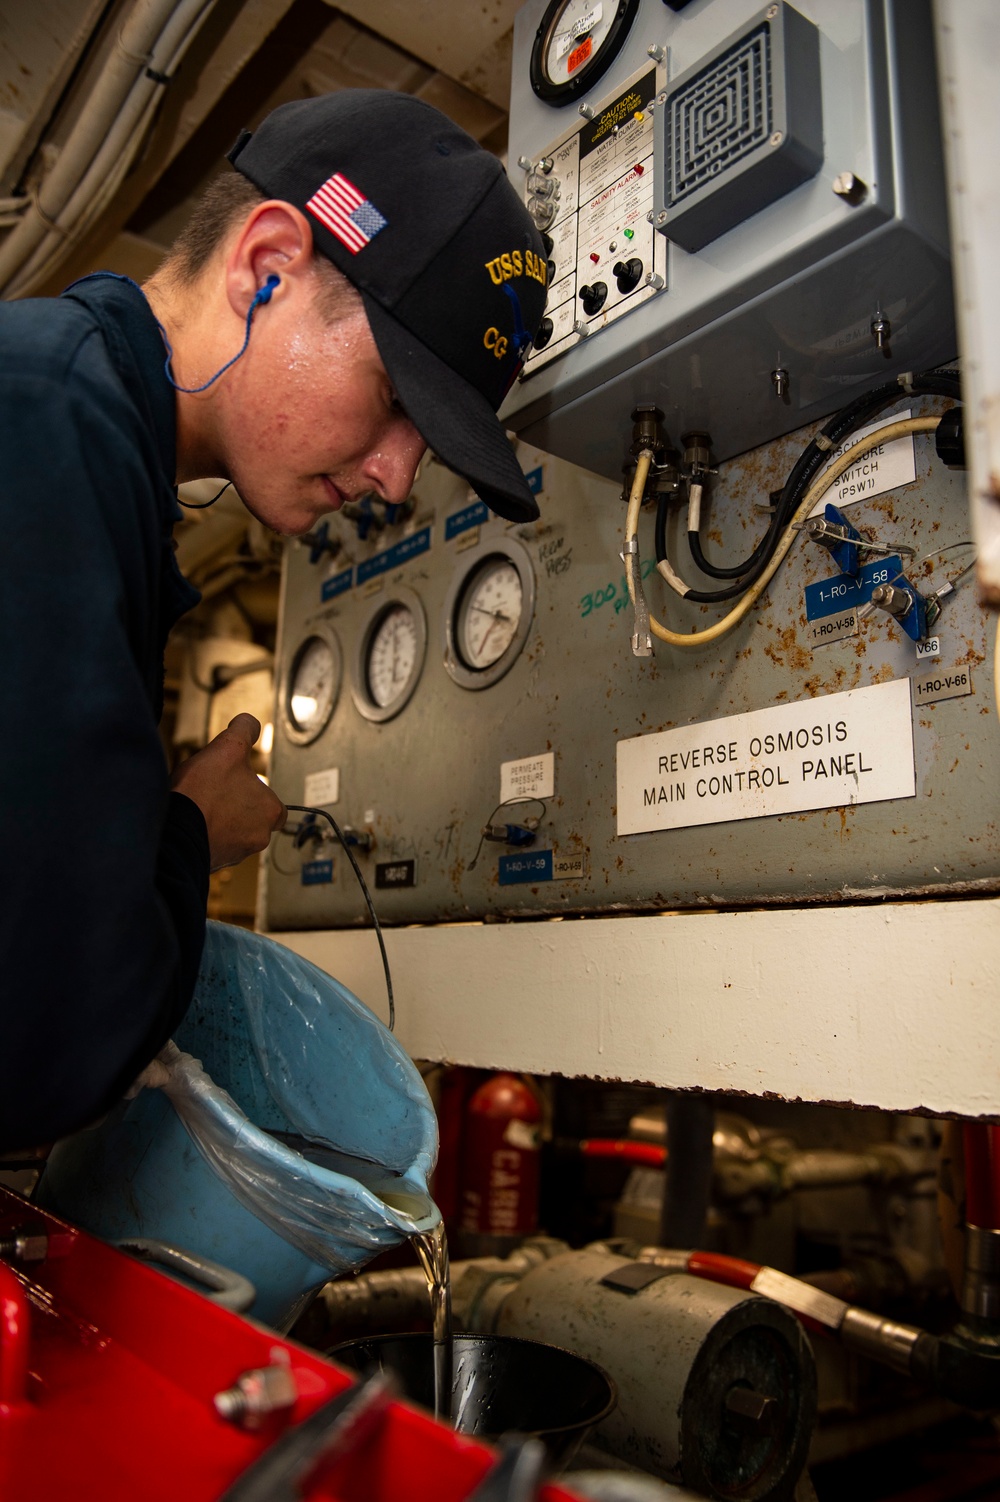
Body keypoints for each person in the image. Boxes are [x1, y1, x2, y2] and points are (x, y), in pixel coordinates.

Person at [0, 88, 547, 1150]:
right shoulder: (50, 430)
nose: (397, 476)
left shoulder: (64, 414)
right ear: (265, 266)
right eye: (395, 396)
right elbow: (39, 1041)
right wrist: (190, 833)